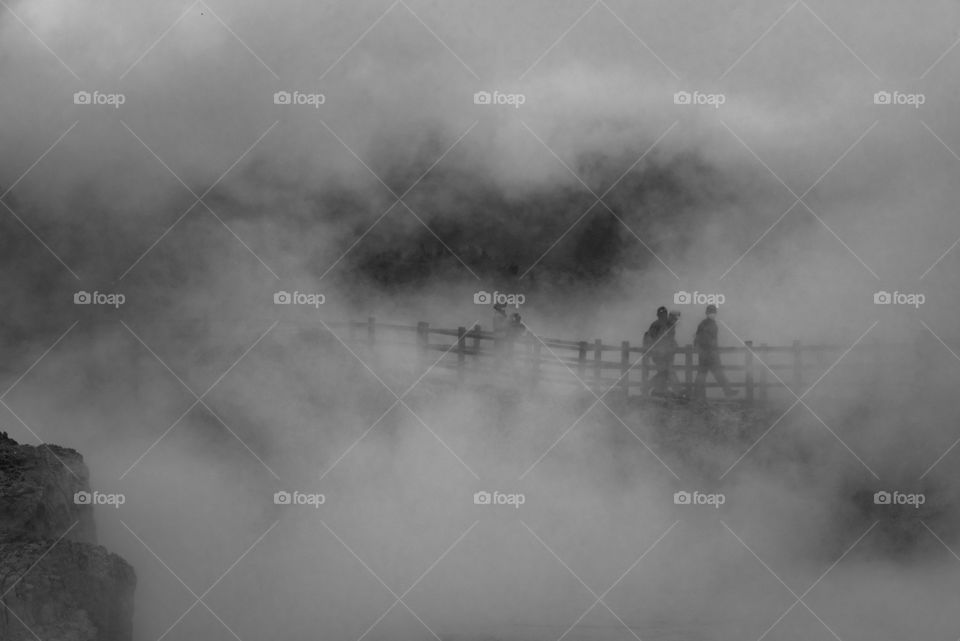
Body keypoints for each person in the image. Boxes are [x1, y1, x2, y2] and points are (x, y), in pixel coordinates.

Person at [693, 304, 737, 399]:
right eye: (711, 312)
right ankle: (728, 391)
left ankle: (697, 395)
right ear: (707, 313)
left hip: (706, 354)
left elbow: (698, 338)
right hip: (709, 354)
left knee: (703, 375)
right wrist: (711, 351)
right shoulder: (707, 324)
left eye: (713, 312)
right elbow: (705, 340)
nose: (712, 314)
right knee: (714, 374)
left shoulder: (705, 323)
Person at [644, 306, 671, 395]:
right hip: (658, 353)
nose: (664, 316)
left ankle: (659, 391)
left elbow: (667, 339)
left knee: (663, 372)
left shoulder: (661, 324)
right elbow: (652, 339)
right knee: (664, 372)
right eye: (663, 314)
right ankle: (648, 386)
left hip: (662, 353)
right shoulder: (657, 325)